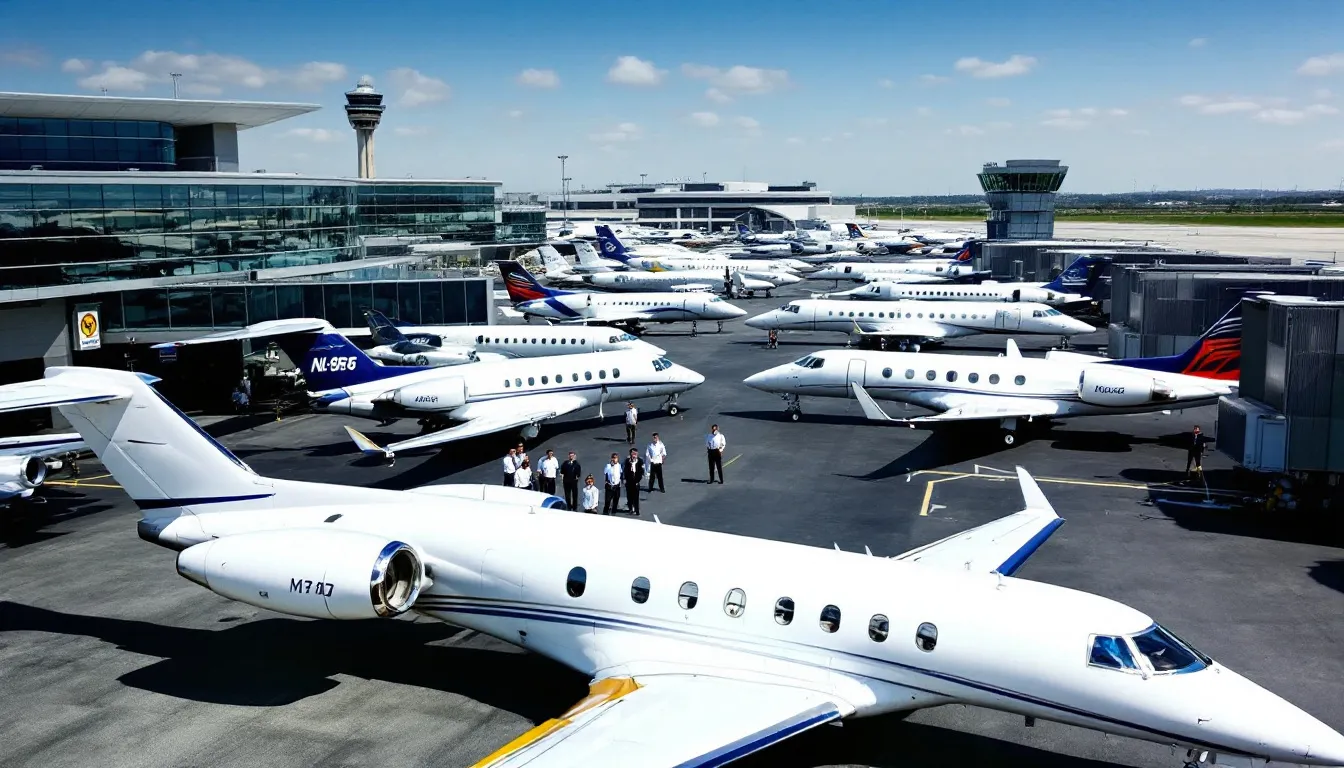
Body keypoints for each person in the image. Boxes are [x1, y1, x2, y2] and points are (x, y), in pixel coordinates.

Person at [623, 448, 645, 516]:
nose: (634, 455)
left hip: (636, 482)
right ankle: (630, 509)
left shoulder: (640, 461)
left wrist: (638, 481)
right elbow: (625, 471)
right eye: (633, 454)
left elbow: (641, 472)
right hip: (629, 481)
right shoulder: (627, 461)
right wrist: (625, 479)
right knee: (629, 497)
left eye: (635, 454)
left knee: (636, 497)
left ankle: (637, 510)